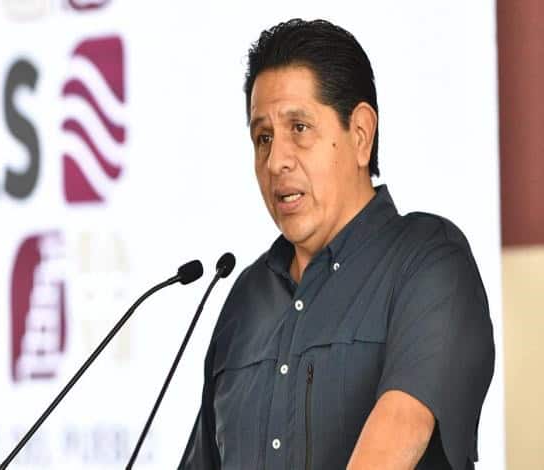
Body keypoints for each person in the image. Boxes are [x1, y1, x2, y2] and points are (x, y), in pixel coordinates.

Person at [178, 18, 495, 470]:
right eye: (263, 138)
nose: (276, 161)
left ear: (360, 134)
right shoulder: (245, 299)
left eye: (299, 128)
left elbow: (398, 434)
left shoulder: (428, 261)